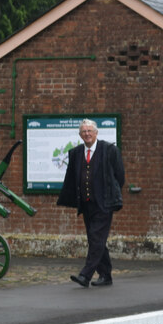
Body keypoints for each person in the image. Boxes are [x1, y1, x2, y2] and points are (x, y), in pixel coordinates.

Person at [57, 119, 125, 287]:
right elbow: (72, 178)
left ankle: (85, 275)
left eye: (90, 131)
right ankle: (106, 275)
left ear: (96, 133)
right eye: (84, 131)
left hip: (104, 203)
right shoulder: (76, 153)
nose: (87, 134)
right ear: (80, 135)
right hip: (87, 204)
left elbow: (120, 176)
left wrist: (110, 194)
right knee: (96, 239)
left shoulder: (109, 150)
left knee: (96, 238)